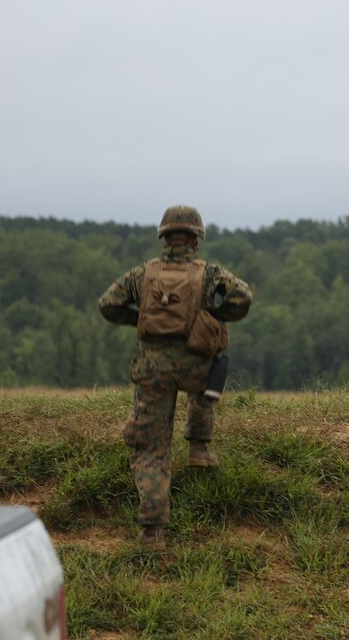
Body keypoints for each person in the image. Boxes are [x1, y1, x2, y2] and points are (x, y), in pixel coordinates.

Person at [98, 205, 252, 549]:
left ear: (164, 237)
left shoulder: (142, 274)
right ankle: (199, 446)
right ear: (196, 238)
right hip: (196, 366)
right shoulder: (209, 273)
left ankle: (152, 532)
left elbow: (108, 304)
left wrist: (139, 321)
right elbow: (243, 297)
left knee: (152, 448)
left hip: (152, 369)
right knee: (211, 369)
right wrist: (211, 316)